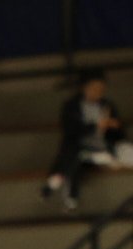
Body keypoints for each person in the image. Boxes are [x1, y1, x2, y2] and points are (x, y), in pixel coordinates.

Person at [41, 69, 131, 212]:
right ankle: (64, 192)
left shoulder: (107, 106)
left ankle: (56, 183)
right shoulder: (72, 107)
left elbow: (119, 134)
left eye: (101, 88)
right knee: (74, 156)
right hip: (81, 149)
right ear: (84, 87)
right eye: (94, 87)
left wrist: (113, 126)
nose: (98, 91)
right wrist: (95, 126)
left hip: (104, 148)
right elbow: (71, 131)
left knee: (125, 151)